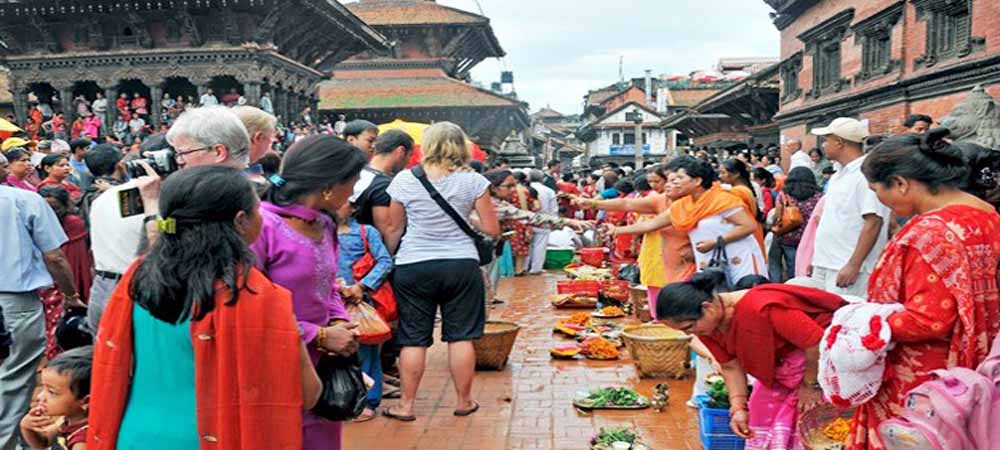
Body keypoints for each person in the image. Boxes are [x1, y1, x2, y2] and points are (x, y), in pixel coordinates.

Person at [88, 165, 320, 450]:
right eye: (257, 210)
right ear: (240, 220)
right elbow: (307, 394)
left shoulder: (138, 278)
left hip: (133, 433)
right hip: (212, 438)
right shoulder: (254, 295)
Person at [847, 130, 1000, 450]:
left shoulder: (929, 231)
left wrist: (863, 324)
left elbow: (927, 319)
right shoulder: (988, 218)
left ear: (901, 183)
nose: (881, 201)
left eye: (878, 190)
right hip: (976, 365)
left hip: (927, 377)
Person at [86, 105, 251, 332]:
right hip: (152, 293)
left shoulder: (224, 199)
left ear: (219, 152)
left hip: (194, 304)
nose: (180, 162)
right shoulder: (164, 197)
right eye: (176, 155)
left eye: (182, 153)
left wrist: (155, 205)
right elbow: (165, 247)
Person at [251, 134, 366, 450]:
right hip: (275, 360)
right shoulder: (262, 226)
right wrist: (319, 335)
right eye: (353, 182)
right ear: (328, 185)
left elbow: (327, 284)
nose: (354, 192)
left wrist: (340, 322)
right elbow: (251, 306)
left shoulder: (324, 224)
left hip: (323, 362)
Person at [381, 122, 499, 422]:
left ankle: (406, 406)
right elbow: (491, 230)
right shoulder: (473, 181)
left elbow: (394, 227)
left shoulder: (405, 179)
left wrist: (392, 259)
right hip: (461, 264)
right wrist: (468, 218)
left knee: (413, 338)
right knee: (460, 336)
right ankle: (464, 401)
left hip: (413, 264)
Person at [657, 271, 845, 449]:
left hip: (819, 366)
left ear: (707, 307)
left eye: (689, 327)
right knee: (759, 415)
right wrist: (738, 407)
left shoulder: (760, 307)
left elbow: (815, 342)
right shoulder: (708, 325)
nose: (690, 334)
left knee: (813, 427)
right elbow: (730, 366)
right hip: (779, 374)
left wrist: (810, 385)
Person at [0, 179, 79, 450]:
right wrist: (71, 294)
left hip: (13, 299)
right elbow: (54, 256)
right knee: (14, 375)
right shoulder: (24, 200)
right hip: (14, 300)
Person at [609, 156, 765, 285]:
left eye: (679, 178)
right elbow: (651, 224)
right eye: (672, 179)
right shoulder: (684, 204)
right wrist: (617, 230)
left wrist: (716, 242)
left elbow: (748, 226)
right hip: (710, 261)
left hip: (738, 258)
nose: (673, 183)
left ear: (697, 181)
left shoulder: (722, 199)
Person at [578, 165, 696, 317]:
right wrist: (595, 204)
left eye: (674, 181)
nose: (667, 185)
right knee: (658, 290)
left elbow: (650, 224)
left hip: (687, 260)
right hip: (661, 254)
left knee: (685, 303)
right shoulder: (662, 200)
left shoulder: (695, 203)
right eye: (669, 181)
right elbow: (628, 205)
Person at [809, 117, 890, 296]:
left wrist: (854, 264)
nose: (823, 145)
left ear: (839, 142)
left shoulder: (866, 173)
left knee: (845, 318)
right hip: (828, 261)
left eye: (826, 140)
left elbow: (874, 222)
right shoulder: (839, 173)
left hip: (848, 266)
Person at [484, 169, 590, 304]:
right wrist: (568, 221)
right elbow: (530, 216)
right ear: (493, 187)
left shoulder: (496, 201)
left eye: (513, 185)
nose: (513, 190)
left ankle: (488, 299)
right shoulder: (492, 203)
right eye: (508, 186)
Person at [335, 201, 393, 423]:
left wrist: (362, 286)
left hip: (360, 301)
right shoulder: (320, 230)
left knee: (366, 353)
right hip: (332, 300)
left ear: (353, 208)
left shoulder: (366, 232)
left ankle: (368, 400)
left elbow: (384, 261)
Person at [37, 185, 93, 359]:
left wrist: (70, 288)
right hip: (44, 280)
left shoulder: (73, 224)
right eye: (46, 208)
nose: (51, 212)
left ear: (65, 205)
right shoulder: (36, 222)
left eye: (55, 208)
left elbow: (77, 260)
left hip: (65, 280)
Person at [19, 345, 93, 450]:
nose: (40, 397)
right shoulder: (68, 419)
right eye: (43, 388)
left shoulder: (82, 441)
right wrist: (27, 428)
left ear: (86, 401)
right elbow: (43, 443)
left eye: (52, 392)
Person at [350, 129, 414, 238]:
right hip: (370, 248)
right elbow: (386, 230)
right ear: (401, 151)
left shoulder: (357, 172)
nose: (408, 161)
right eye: (409, 155)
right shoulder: (384, 185)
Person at [769, 167, 822, 282]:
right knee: (807, 268)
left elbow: (777, 217)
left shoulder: (784, 195)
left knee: (791, 267)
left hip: (788, 238)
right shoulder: (818, 196)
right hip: (810, 239)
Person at [528, 169, 558, 275]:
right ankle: (536, 268)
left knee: (528, 245)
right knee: (540, 246)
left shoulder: (525, 189)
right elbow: (554, 209)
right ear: (543, 179)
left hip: (527, 221)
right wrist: (554, 221)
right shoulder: (549, 191)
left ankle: (524, 266)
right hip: (544, 220)